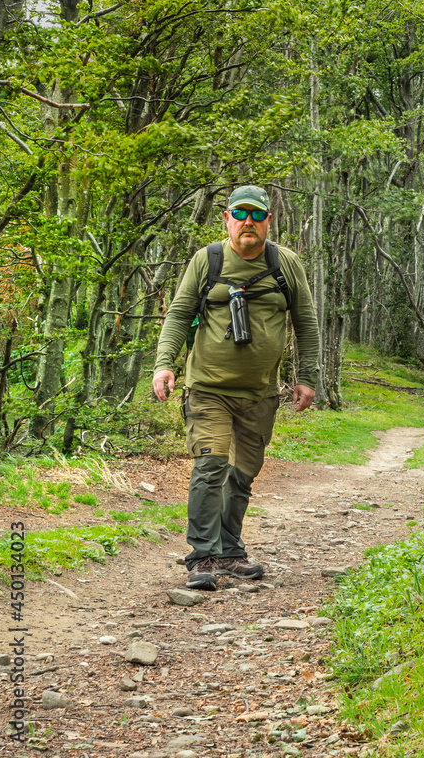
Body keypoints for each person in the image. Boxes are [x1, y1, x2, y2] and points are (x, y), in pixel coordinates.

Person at [152, 185, 319, 590]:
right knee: (210, 465)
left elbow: (306, 322)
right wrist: (164, 365)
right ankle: (202, 557)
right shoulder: (206, 260)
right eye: (240, 214)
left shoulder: (287, 264)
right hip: (208, 388)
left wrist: (308, 377)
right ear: (227, 218)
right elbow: (178, 315)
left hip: (260, 393)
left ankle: (229, 552)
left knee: (242, 474)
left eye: (256, 215)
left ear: (268, 221)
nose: (248, 222)